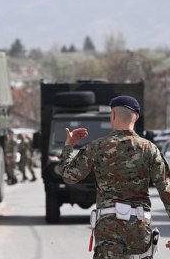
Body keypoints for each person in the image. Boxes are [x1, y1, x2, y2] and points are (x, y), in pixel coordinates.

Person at [59, 95, 170, 258]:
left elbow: (69, 175)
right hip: (139, 227)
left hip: (108, 227)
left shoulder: (97, 147)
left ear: (112, 114)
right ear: (136, 117)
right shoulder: (150, 149)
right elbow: (166, 190)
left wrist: (69, 146)